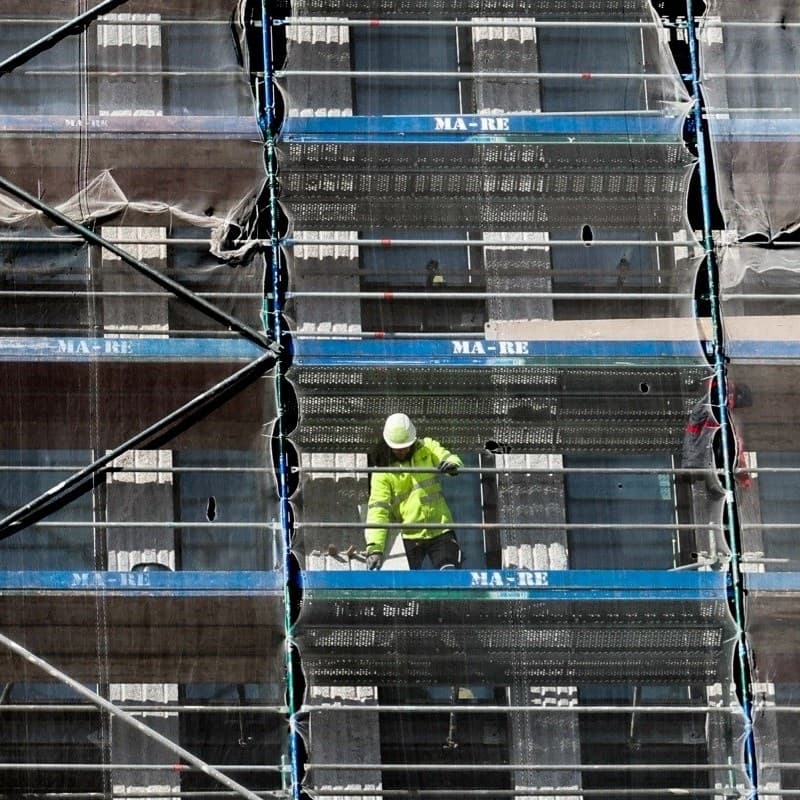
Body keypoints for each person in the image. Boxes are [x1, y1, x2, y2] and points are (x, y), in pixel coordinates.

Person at [365, 413, 462, 570]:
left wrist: (452, 464)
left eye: (405, 447)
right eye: (398, 449)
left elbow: (445, 455)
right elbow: (378, 510)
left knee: (449, 574)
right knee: (406, 587)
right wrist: (375, 548)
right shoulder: (383, 471)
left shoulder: (427, 447)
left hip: (440, 529)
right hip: (409, 535)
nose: (402, 451)